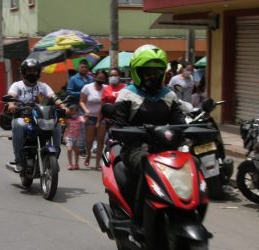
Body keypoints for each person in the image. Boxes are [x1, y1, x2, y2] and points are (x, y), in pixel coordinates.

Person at [110, 45, 185, 232]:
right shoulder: (127, 94)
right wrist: (134, 133)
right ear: (137, 72)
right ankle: (137, 219)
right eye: (147, 72)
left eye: (157, 72)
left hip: (165, 151)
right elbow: (118, 126)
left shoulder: (169, 95)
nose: (152, 76)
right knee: (146, 164)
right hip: (134, 148)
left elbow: (180, 124)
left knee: (191, 163)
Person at [7, 58, 69, 173]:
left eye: (34, 71)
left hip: (41, 117)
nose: (32, 73)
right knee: (18, 125)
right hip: (24, 117)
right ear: (24, 72)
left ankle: (54, 157)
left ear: (38, 72)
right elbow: (11, 96)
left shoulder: (43, 86)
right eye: (29, 71)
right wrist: (11, 104)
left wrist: (62, 106)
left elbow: (53, 97)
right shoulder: (17, 85)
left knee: (56, 126)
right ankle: (19, 160)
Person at [79, 69, 108, 170]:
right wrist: (86, 110)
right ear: (95, 77)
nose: (100, 80)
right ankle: (88, 154)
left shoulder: (106, 88)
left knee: (101, 141)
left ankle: (97, 164)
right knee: (89, 140)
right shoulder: (87, 87)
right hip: (90, 117)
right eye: (99, 78)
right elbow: (82, 101)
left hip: (102, 117)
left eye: (103, 79)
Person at [66, 60, 93, 156]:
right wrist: (82, 93)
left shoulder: (91, 79)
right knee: (81, 126)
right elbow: (69, 92)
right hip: (77, 106)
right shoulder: (73, 79)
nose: (84, 68)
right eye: (82, 67)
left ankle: (88, 147)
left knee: (89, 127)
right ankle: (81, 149)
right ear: (78, 68)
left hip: (89, 105)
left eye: (86, 67)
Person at [64, 104, 85, 170]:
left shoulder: (80, 118)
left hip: (77, 137)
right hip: (70, 137)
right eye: (71, 112)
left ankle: (76, 164)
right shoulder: (68, 120)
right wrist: (65, 136)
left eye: (74, 111)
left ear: (77, 111)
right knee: (69, 149)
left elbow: (84, 121)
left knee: (77, 151)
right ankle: (70, 164)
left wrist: (87, 116)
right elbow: (67, 128)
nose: (73, 113)